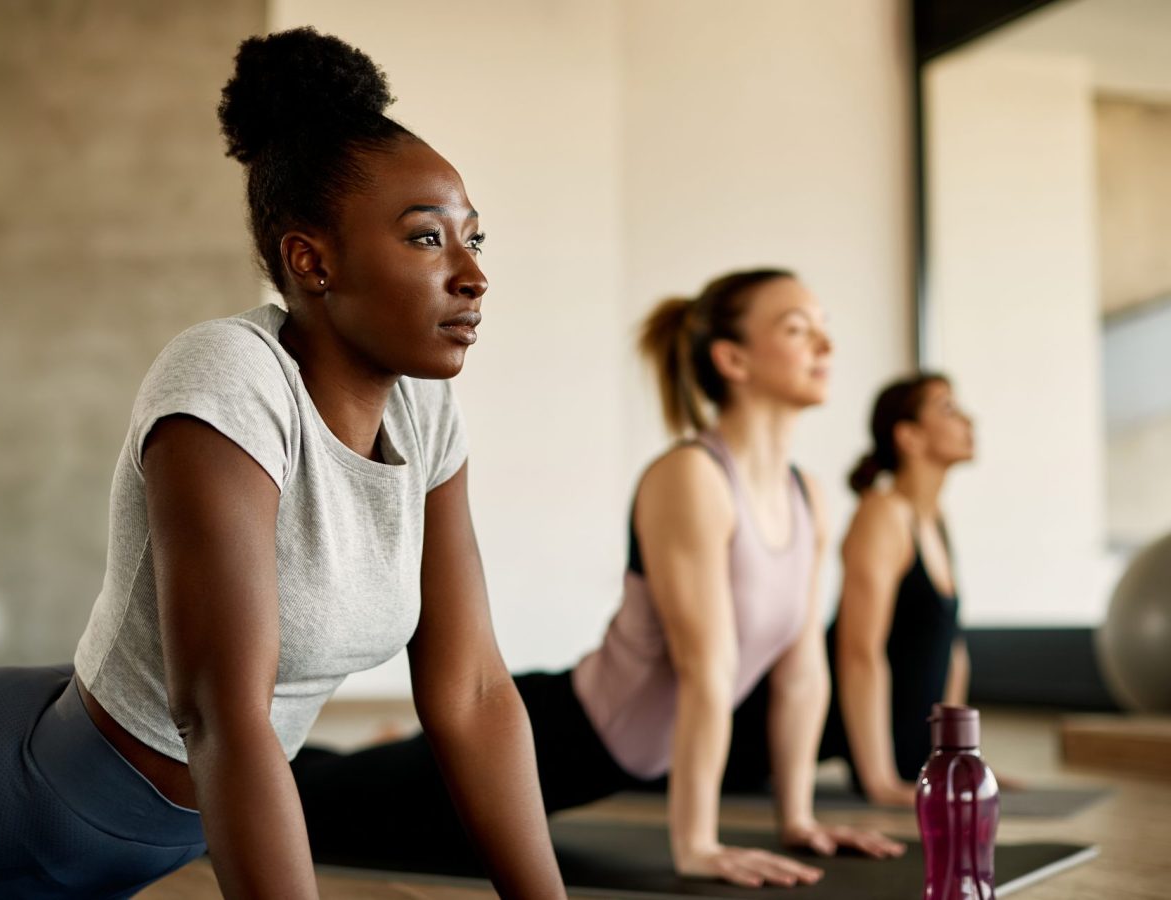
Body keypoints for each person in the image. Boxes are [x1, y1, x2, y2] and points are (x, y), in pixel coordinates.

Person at [0, 27, 564, 900]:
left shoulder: (424, 407)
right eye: (427, 240)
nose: (473, 274)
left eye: (475, 238)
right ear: (310, 260)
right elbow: (220, 715)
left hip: (139, 820)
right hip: (26, 804)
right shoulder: (227, 375)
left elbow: (471, 691)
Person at [292, 269, 905, 890]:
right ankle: (249, 761)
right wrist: (698, 845)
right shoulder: (693, 478)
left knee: (350, 791)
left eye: (824, 328)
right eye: (799, 329)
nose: (825, 346)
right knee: (318, 804)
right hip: (556, 738)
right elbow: (706, 670)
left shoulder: (808, 497)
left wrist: (797, 819)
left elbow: (802, 673)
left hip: (617, 757)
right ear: (732, 359)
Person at [821, 373, 972, 806]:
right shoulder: (882, 515)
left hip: (901, 738)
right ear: (908, 436)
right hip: (773, 726)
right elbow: (858, 653)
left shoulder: (935, 519)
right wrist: (878, 780)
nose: (967, 420)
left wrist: (959, 757)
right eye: (947, 407)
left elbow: (952, 650)